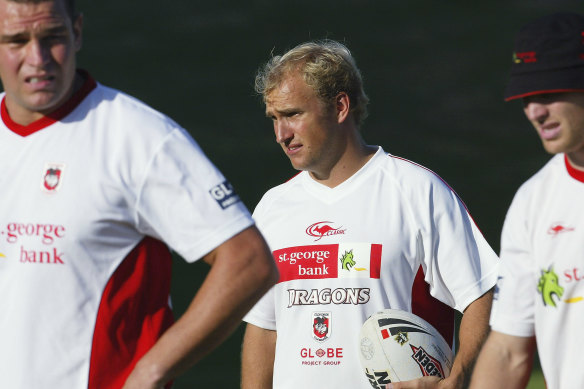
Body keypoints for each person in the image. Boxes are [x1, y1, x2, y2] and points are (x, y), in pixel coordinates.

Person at [0, 0, 279, 388]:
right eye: (16, 41)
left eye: (52, 37)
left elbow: (248, 261)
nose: (37, 58)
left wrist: (149, 373)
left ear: (77, 31)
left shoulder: (138, 137)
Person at [240, 39, 499, 389]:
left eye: (293, 114)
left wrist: (459, 379)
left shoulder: (416, 190)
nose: (281, 134)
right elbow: (264, 329)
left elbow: (483, 293)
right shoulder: (273, 206)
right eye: (274, 118)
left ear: (340, 106)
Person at [470, 12, 584, 389]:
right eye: (526, 97)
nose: (535, 111)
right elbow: (508, 349)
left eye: (549, 92)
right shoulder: (534, 199)